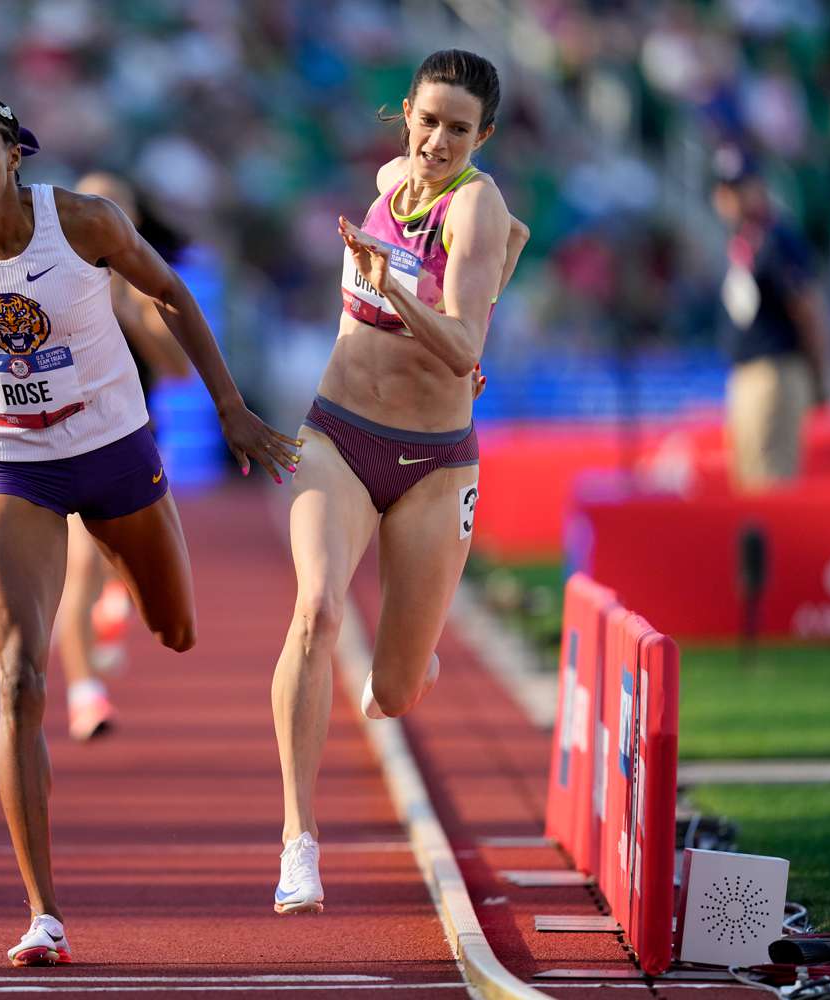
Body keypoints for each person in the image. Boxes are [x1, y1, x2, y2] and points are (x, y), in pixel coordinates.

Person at [0, 94, 299, 966]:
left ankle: (131, 580)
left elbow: (172, 296)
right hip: (17, 466)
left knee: (177, 629)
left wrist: (230, 409)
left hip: (118, 452)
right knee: (18, 679)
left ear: (15, 155)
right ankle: (43, 912)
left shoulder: (82, 221)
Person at [269, 49, 530, 916]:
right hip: (338, 432)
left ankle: (413, 669)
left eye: (460, 129)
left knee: (393, 691)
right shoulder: (392, 176)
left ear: (482, 137)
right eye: (427, 121)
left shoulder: (478, 206)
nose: (438, 141)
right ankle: (299, 841)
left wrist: (394, 284)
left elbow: (464, 349)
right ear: (404, 115)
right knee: (316, 610)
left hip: (433, 463)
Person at [55, 171, 189, 742]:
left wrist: (130, 315)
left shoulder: (143, 283)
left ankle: (118, 602)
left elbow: (180, 370)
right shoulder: (52, 278)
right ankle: (84, 693)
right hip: (70, 438)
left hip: (137, 439)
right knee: (80, 567)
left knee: (133, 566)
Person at [710, 144, 830, 492]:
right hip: (745, 373)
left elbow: (806, 308)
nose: (731, 198)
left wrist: (817, 373)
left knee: (771, 483)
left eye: (740, 187)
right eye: (725, 189)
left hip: (776, 371)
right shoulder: (741, 244)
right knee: (747, 482)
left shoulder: (777, 240)